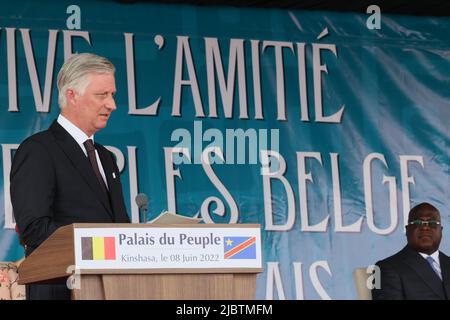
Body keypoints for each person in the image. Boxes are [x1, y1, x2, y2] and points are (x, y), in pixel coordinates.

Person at [10, 53, 130, 300]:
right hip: (61, 289)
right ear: (72, 95)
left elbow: (119, 226)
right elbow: (35, 228)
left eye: (112, 95)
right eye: (102, 95)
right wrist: (96, 247)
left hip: (113, 289)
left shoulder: (105, 157)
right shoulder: (38, 150)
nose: (112, 104)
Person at [372, 202, 450, 300]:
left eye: (432, 223)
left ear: (441, 230)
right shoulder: (383, 268)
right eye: (417, 223)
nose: (425, 227)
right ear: (407, 230)